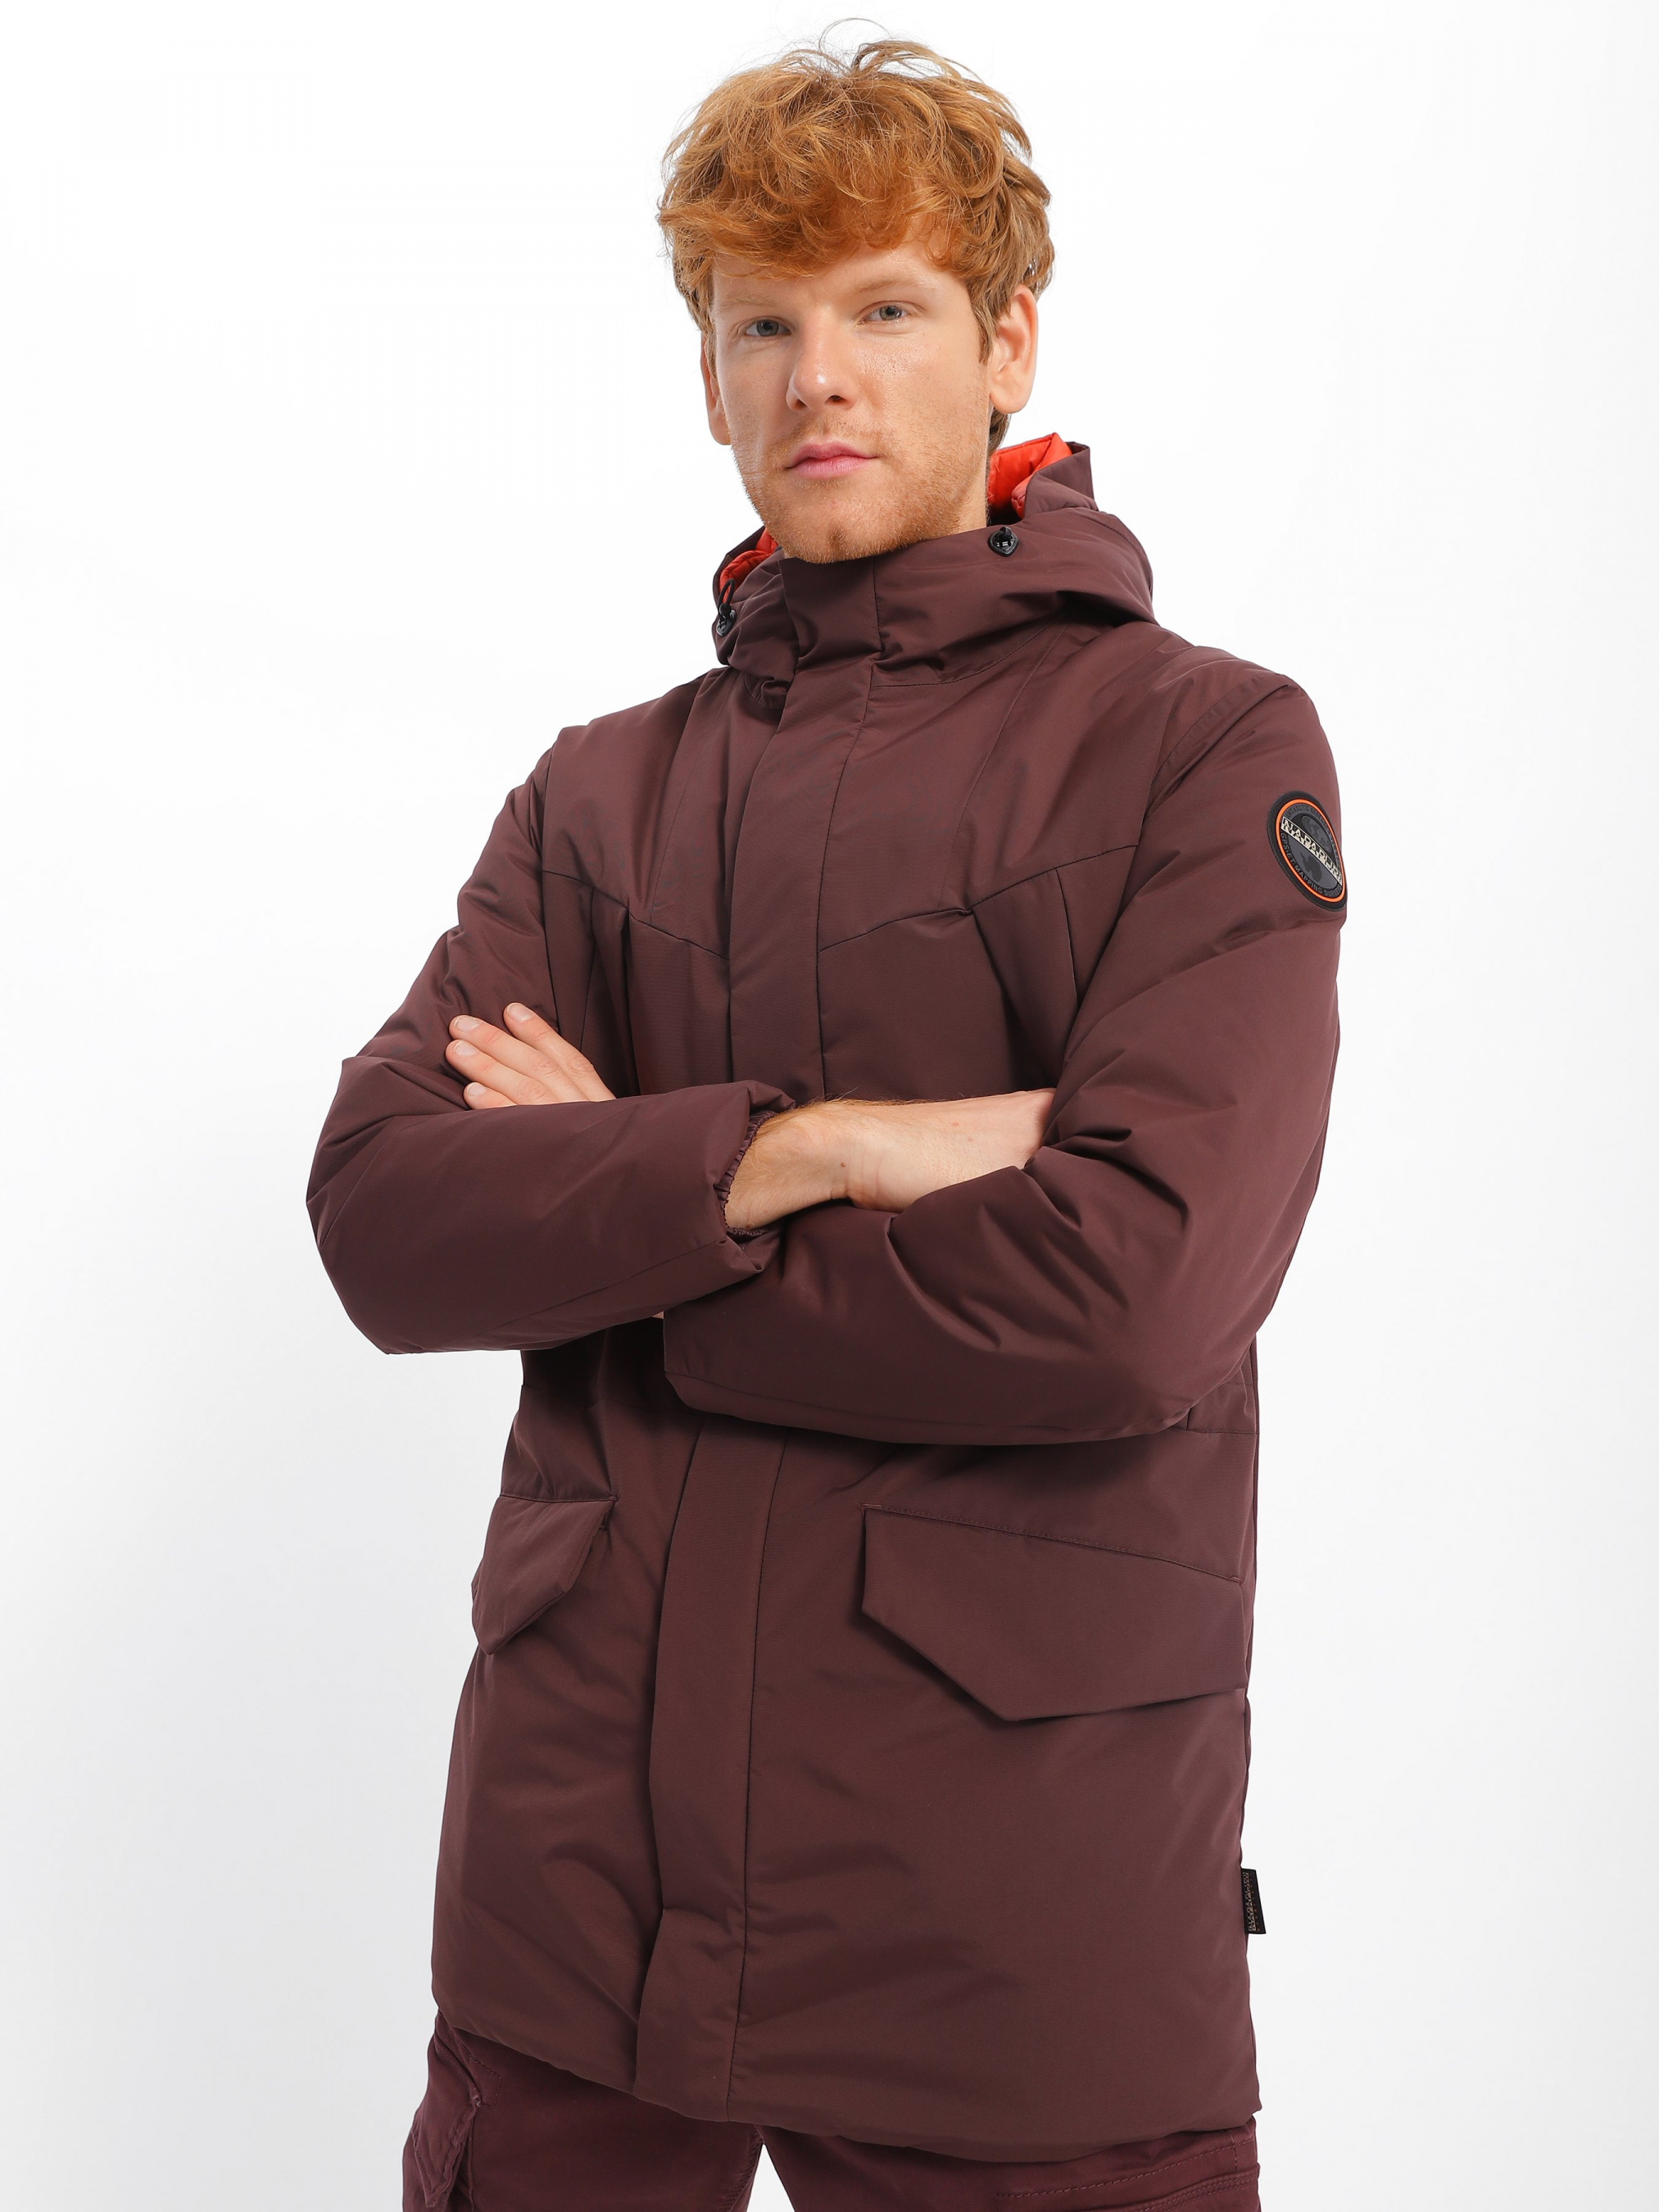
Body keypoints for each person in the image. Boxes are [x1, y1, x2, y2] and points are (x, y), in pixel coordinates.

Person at [307, 34, 1345, 2212]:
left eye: (883, 306)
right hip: (580, 1909)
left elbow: (1132, 1294)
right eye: (758, 324)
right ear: (705, 378)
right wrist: (805, 1150)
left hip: (1012, 1922)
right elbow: (390, 1217)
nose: (819, 377)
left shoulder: (1200, 748)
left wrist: (619, 1230)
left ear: (1008, 340)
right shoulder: (601, 796)